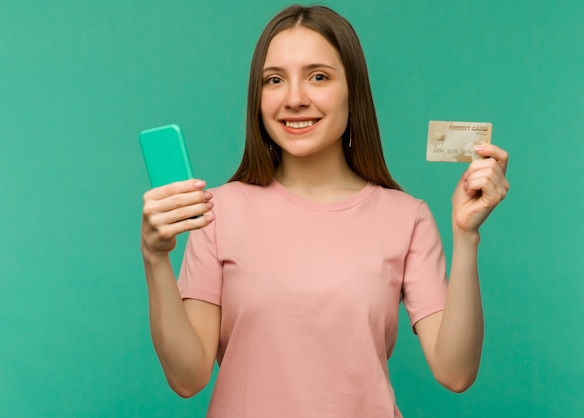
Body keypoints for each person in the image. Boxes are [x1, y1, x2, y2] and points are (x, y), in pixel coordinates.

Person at [140, 5, 509, 417]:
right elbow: (187, 378)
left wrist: (466, 236)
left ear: (354, 92)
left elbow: (456, 372)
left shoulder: (406, 218)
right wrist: (155, 259)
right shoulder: (218, 212)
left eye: (318, 76)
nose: (295, 99)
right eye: (274, 80)